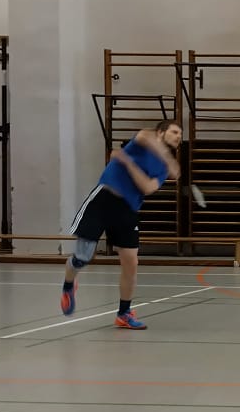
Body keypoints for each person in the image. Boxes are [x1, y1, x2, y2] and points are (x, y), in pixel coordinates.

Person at [61, 119, 182, 329]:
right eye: (174, 132)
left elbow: (147, 188)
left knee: (131, 263)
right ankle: (68, 285)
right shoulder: (144, 141)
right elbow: (145, 135)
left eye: (180, 134)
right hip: (103, 200)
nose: (179, 136)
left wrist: (127, 162)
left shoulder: (162, 167)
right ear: (160, 132)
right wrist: (168, 159)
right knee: (82, 257)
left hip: (127, 210)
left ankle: (124, 313)